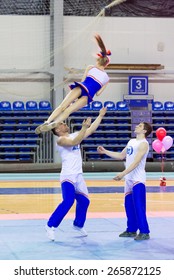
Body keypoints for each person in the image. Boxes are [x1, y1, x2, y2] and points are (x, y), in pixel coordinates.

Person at [45, 106, 107, 241]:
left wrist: (100, 116)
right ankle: (50, 226)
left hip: (78, 175)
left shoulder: (74, 134)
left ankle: (78, 225)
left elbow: (91, 130)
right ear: (57, 130)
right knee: (68, 201)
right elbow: (74, 142)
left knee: (84, 201)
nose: (64, 123)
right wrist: (84, 128)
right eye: (61, 123)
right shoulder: (60, 140)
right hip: (68, 176)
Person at [35, 34, 111, 134]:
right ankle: (55, 123)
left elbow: (83, 80)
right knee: (68, 111)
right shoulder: (107, 78)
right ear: (106, 64)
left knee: (62, 106)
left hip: (82, 87)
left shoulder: (90, 67)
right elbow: (98, 93)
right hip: (89, 94)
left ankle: (48, 121)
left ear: (98, 60)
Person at [97, 122, 152, 241]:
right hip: (129, 179)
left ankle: (144, 231)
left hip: (138, 179)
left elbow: (136, 162)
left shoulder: (144, 144)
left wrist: (122, 173)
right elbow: (121, 156)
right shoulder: (131, 142)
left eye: (140, 126)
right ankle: (131, 229)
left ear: (144, 131)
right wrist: (105, 151)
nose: (137, 126)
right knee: (128, 205)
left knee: (139, 206)